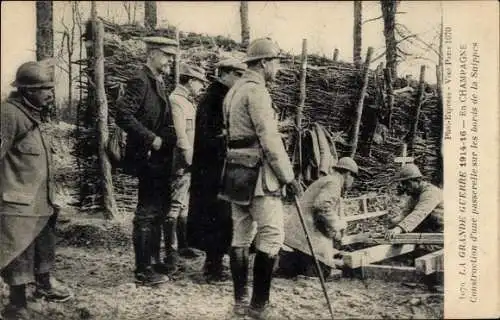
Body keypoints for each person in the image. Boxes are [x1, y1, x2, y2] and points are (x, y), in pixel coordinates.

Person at [220, 38, 302, 318]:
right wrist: (288, 176)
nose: (277, 68)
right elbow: (269, 138)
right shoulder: (257, 92)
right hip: (257, 174)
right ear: (265, 62)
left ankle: (240, 301)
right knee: (272, 234)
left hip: (234, 171)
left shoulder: (233, 91)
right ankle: (259, 305)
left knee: (241, 235)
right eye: (276, 61)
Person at [1, 61, 71, 320]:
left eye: (50, 88)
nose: (50, 94)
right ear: (27, 91)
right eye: (44, 89)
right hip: (17, 201)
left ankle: (44, 285)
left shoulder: (33, 113)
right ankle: (16, 303)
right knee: (18, 250)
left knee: (43, 245)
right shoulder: (9, 114)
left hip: (40, 198)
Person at [115, 36, 177, 286]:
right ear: (151, 54)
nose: (170, 60)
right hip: (147, 157)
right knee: (147, 212)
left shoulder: (158, 81)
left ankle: (152, 260)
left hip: (159, 159)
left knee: (159, 210)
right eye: (166, 55)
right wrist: (152, 139)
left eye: (172, 56)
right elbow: (122, 115)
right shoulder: (140, 80)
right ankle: (143, 269)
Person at [188, 58, 247, 283]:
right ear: (226, 74)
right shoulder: (215, 98)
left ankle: (214, 263)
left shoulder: (219, 96)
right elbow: (212, 135)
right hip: (213, 169)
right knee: (216, 216)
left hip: (213, 168)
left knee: (217, 216)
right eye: (238, 75)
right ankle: (213, 267)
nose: (240, 80)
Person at [278, 157, 358, 278]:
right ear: (348, 174)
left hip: (295, 236)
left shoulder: (326, 180)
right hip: (307, 236)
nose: (353, 181)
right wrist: (336, 228)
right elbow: (322, 207)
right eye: (354, 177)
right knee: (323, 272)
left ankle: (289, 265)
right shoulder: (334, 183)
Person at [163, 63, 209, 270]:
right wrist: (189, 160)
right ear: (190, 81)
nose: (201, 87)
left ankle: (182, 246)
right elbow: (181, 136)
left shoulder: (186, 101)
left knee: (183, 204)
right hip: (180, 161)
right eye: (200, 82)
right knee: (174, 205)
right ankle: (170, 251)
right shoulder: (176, 101)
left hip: (189, 160)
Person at [385, 163, 443, 240]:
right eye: (403, 183)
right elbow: (405, 213)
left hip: (441, 233)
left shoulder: (431, 193)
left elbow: (419, 213)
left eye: (407, 183)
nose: (404, 187)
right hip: (428, 231)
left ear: (417, 180)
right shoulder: (415, 194)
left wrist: (398, 229)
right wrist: (391, 224)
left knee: (421, 250)